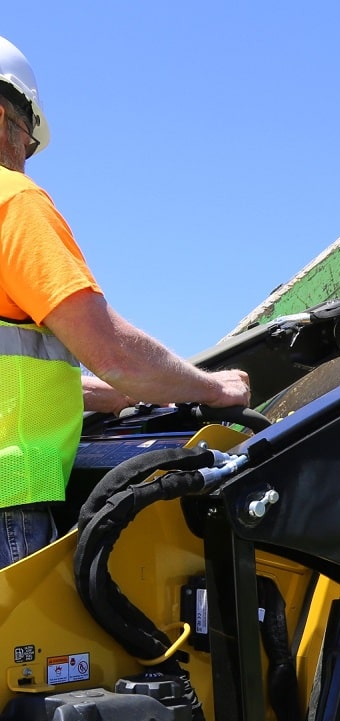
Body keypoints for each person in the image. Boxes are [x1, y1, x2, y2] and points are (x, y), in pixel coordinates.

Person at [0, 35, 251, 568]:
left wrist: (92, 395)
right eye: (27, 140)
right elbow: (114, 353)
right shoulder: (13, 201)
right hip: (9, 512)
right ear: (4, 121)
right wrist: (212, 386)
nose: (25, 160)